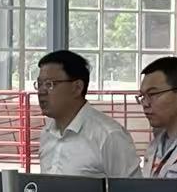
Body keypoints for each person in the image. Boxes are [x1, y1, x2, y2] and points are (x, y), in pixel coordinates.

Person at [35, 49, 141, 179]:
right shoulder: (47, 132)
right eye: (39, 84)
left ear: (77, 87)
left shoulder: (109, 135)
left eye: (49, 84)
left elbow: (133, 189)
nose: (41, 91)